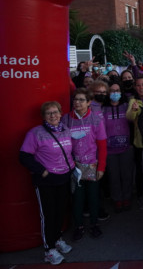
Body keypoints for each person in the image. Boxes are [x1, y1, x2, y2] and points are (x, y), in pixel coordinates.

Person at [19, 101, 75, 265]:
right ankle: (49, 250)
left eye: (56, 112)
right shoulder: (35, 133)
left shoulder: (65, 129)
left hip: (64, 177)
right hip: (46, 181)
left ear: (60, 113)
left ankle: (57, 239)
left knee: (60, 212)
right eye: (49, 113)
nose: (53, 116)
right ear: (43, 116)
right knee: (48, 215)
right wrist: (42, 171)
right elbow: (24, 156)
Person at [62, 88, 107, 241]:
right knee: (77, 198)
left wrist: (101, 167)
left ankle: (94, 225)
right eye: (75, 99)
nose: (77, 102)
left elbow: (102, 145)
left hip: (92, 165)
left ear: (89, 102)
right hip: (74, 165)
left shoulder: (96, 119)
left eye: (81, 100)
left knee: (93, 197)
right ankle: (79, 226)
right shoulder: (66, 119)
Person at [101, 79, 134, 212]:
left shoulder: (127, 106)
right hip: (110, 150)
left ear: (121, 92)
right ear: (108, 93)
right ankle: (117, 199)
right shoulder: (104, 109)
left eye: (117, 91)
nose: (115, 93)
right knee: (113, 176)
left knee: (126, 175)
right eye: (112, 91)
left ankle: (127, 197)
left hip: (126, 147)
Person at [126, 76, 143, 203]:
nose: (141, 87)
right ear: (135, 87)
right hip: (139, 141)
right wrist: (134, 110)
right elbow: (129, 117)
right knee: (140, 170)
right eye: (138, 85)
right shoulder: (133, 101)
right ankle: (141, 194)